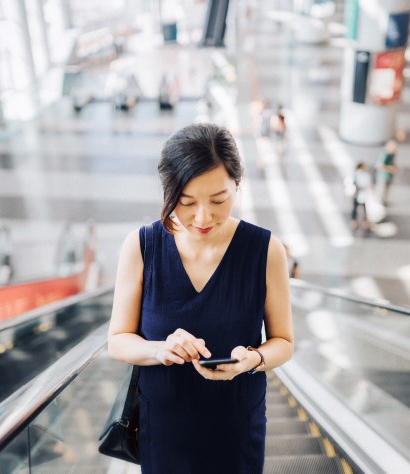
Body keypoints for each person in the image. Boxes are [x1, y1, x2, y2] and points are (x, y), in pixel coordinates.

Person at [107, 123, 294, 473]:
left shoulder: (266, 251)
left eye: (219, 200)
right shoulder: (142, 246)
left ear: (237, 186)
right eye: (187, 202)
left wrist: (251, 360)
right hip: (163, 427)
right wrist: (159, 349)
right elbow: (117, 341)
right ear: (168, 191)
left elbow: (283, 342)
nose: (204, 217)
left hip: (236, 424)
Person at [349, 162, 373, 230]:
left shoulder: (365, 175)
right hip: (357, 193)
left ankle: (364, 221)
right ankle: (354, 220)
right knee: (355, 207)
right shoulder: (356, 174)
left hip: (363, 194)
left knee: (364, 208)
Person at [375, 139, 398, 205]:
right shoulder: (385, 155)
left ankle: (383, 201)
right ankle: (379, 204)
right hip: (383, 176)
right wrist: (391, 169)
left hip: (388, 176)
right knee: (381, 190)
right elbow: (381, 165)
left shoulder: (391, 155)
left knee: (385, 190)